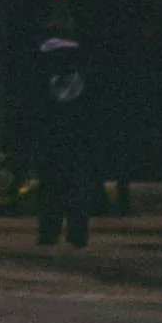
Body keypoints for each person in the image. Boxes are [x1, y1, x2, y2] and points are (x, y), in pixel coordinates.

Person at [30, 14, 99, 252]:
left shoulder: (40, 61)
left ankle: (49, 231)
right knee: (78, 182)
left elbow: (33, 100)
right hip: (80, 131)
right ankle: (77, 233)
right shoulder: (84, 60)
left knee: (50, 183)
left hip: (49, 131)